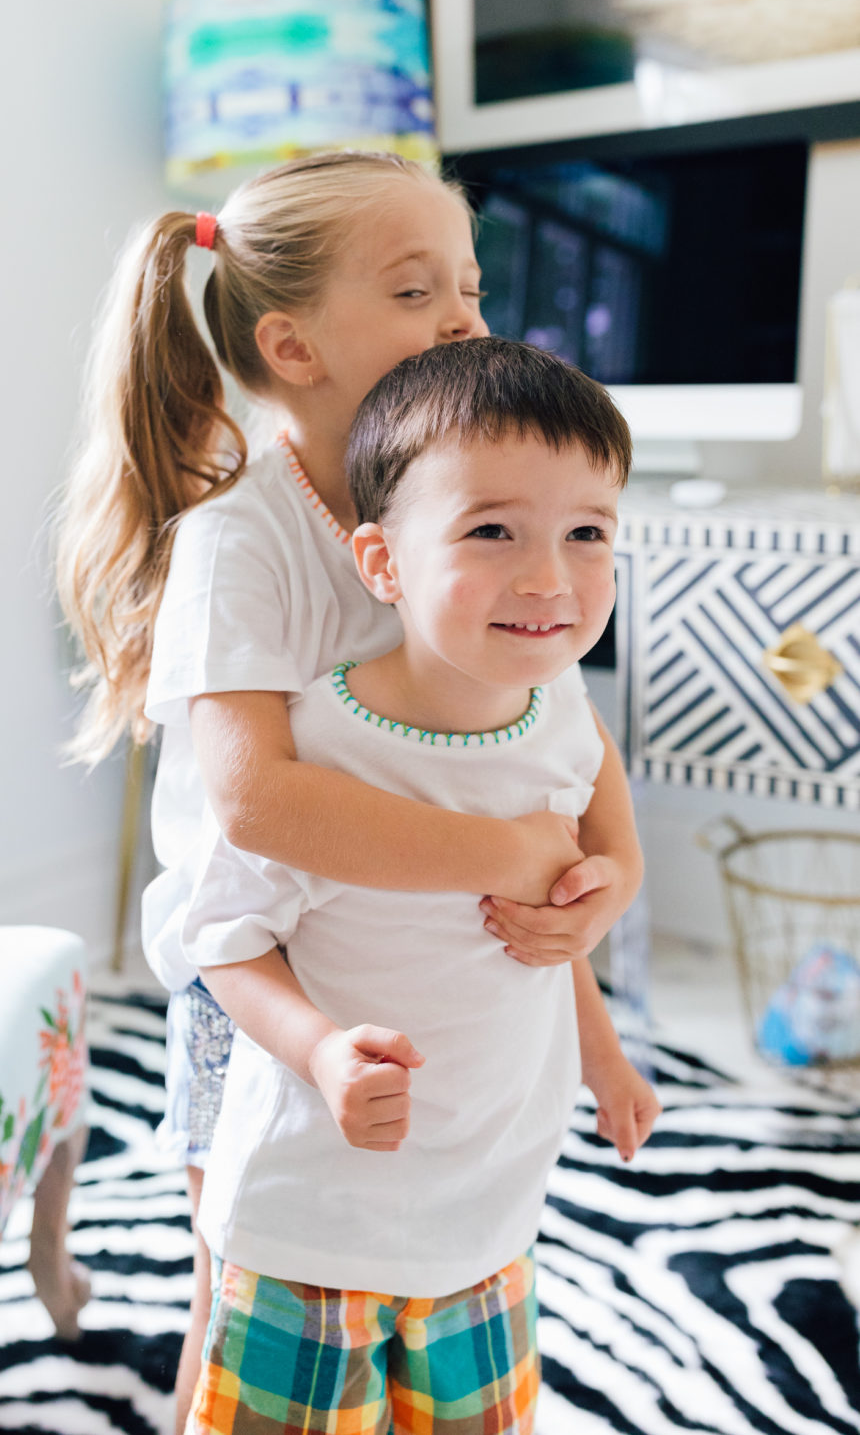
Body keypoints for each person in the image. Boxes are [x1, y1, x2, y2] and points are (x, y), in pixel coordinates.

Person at [54, 152, 643, 1426]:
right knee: (254, 1253)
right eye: (417, 289)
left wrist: (592, 899)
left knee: (440, 1202)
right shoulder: (242, 542)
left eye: (471, 288)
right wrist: (509, 855)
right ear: (294, 344)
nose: (466, 320)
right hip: (262, 953)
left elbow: (558, 752)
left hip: (418, 932)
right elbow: (258, 807)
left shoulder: (464, 513)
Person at [179, 336, 661, 1435]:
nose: (548, 575)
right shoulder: (320, 753)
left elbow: (540, 939)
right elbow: (225, 939)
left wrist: (603, 1058)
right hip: (312, 1217)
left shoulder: (560, 720)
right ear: (381, 563)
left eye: (586, 533)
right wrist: (315, 1050)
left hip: (484, 1213)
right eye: (491, 530)